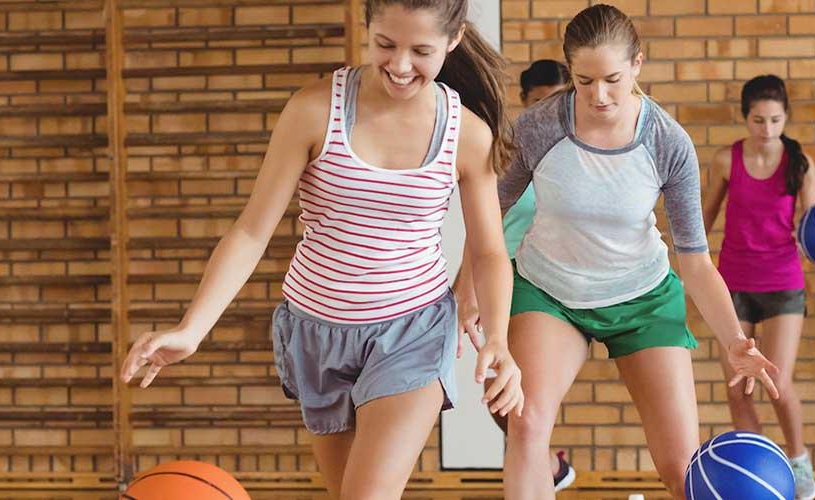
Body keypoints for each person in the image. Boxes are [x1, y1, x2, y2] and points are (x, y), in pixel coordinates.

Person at [116, 0, 523, 496]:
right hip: (316, 334)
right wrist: (192, 329)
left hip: (411, 330)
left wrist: (499, 339)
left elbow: (489, 253)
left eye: (421, 51)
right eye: (385, 45)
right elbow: (251, 231)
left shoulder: (466, 135)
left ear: (454, 39)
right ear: (367, 29)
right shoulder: (313, 111)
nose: (399, 65)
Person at [480, 5, 779, 498]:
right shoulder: (540, 127)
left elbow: (696, 262)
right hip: (550, 291)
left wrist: (734, 341)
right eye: (584, 80)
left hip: (643, 298)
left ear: (638, 63)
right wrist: (470, 288)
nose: (599, 95)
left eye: (613, 79)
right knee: (527, 425)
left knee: (681, 466)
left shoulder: (668, 142)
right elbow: (488, 211)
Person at [455, 57, 579, 490]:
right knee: (499, 401)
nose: (547, 111)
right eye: (538, 102)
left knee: (526, 404)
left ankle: (539, 458)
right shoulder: (509, 151)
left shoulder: (578, 155)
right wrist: (463, 288)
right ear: (525, 103)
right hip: (502, 277)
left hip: (548, 285)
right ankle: (547, 464)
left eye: (556, 101)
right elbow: (482, 231)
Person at [699, 74, 815, 500]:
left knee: (777, 380)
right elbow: (702, 221)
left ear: (785, 117)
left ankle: (799, 461)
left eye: (775, 120)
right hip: (732, 283)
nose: (767, 130)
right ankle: (761, 468)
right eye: (758, 121)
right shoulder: (724, 161)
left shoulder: (801, 164)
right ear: (745, 118)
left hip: (783, 282)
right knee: (739, 383)